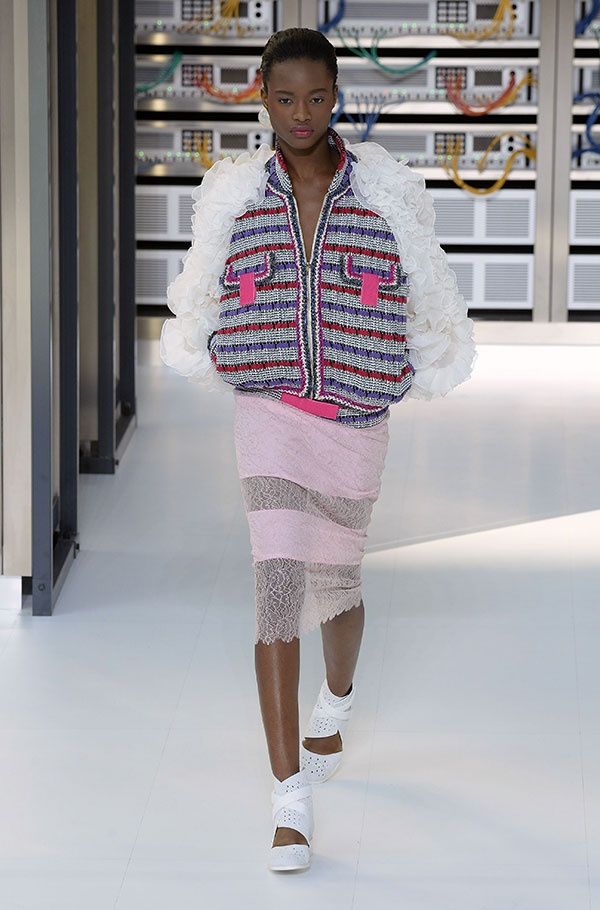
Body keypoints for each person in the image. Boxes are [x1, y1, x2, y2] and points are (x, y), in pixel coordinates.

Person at [160, 27, 476, 873]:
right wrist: (217, 347)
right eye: (285, 97)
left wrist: (405, 365)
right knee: (276, 586)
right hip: (267, 408)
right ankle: (287, 801)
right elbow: (203, 289)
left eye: (317, 96)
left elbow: (427, 292)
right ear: (262, 96)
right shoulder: (236, 196)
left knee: (336, 586)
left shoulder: (384, 193)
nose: (301, 113)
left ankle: (336, 700)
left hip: (353, 416)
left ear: (337, 96)